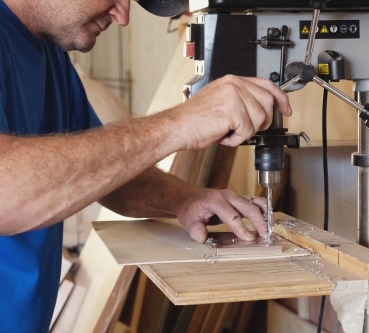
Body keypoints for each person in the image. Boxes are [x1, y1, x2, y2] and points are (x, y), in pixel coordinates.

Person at [0, 0, 292, 331]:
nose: (122, 17)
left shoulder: (49, 54)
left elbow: (105, 171)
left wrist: (182, 199)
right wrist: (179, 124)